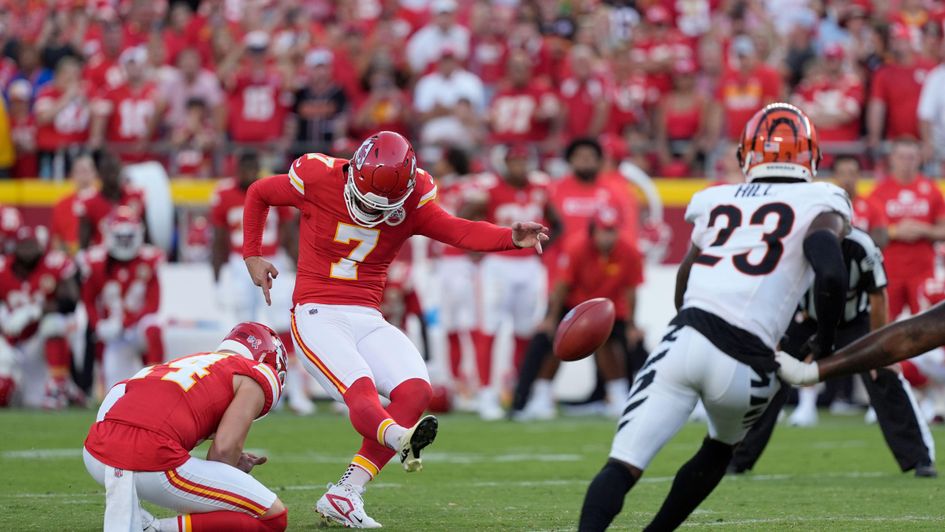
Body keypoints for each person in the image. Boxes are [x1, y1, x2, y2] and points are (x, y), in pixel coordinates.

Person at [242, 131, 548, 528]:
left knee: (416, 389)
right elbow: (259, 192)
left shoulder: (416, 195)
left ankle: (346, 492)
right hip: (317, 311)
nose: (373, 212)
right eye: (367, 203)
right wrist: (252, 254)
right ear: (353, 171)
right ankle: (400, 439)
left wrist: (509, 237)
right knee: (362, 390)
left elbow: (457, 230)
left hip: (368, 314)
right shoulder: (318, 175)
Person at [578, 103, 851, 531]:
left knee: (623, 465)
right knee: (721, 448)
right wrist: (824, 341)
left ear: (746, 155)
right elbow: (831, 270)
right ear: (811, 156)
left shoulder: (716, 198)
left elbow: (687, 274)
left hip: (686, 338)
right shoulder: (821, 198)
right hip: (748, 362)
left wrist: (687, 326)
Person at [729, 227, 937, 477]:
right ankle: (736, 458)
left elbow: (878, 295)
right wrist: (773, 338)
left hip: (853, 322)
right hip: (806, 320)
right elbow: (773, 294)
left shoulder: (861, 246)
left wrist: (881, 351)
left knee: (882, 373)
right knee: (768, 373)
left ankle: (918, 458)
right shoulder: (793, 244)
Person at [83, 322, 289, 532]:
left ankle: (135, 512)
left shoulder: (184, 362)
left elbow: (114, 398)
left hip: (96, 456)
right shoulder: (256, 372)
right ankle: (155, 528)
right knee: (274, 518)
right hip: (150, 459)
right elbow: (224, 450)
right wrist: (229, 474)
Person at [513, 205, 644, 420]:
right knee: (552, 341)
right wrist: (551, 319)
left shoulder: (629, 251)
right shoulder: (577, 247)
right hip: (573, 305)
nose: (608, 237)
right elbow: (562, 286)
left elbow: (631, 291)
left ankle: (621, 396)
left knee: (627, 345)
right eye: (604, 231)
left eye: (612, 231)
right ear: (594, 230)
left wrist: (632, 325)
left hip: (609, 309)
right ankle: (537, 397)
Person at [210, 151, 312, 415]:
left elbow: (289, 233)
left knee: (283, 324)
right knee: (242, 329)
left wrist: (301, 265)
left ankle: (295, 392)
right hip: (238, 262)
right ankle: (247, 390)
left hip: (273, 259)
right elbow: (219, 238)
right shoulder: (224, 195)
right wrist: (217, 274)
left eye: (252, 168)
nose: (248, 173)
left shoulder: (274, 189)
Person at [463, 145, 560, 420]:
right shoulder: (490, 188)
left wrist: (547, 254)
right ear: (505, 164)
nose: (520, 166)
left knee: (525, 333)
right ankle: (486, 395)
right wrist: (474, 244)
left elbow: (557, 223)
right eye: (514, 161)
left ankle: (521, 395)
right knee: (489, 330)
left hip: (529, 265)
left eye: (523, 160)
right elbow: (466, 212)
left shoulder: (539, 188)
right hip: (497, 264)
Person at [80, 208, 164, 389]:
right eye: (120, 237)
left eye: (129, 237)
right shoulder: (96, 262)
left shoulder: (149, 259)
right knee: (116, 391)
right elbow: (88, 300)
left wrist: (127, 322)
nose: (125, 242)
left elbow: (153, 304)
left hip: (136, 326)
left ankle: (156, 382)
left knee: (153, 325)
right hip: (115, 333)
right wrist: (99, 325)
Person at [0, 225, 80, 408]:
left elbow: (70, 302)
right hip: (10, 340)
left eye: (32, 245)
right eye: (24, 245)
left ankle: (58, 385)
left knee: (54, 323)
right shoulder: (3, 268)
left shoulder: (54, 263)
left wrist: (34, 311)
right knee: (4, 395)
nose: (28, 251)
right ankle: (17, 388)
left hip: (40, 342)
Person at [867, 138, 945, 318]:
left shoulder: (931, 190)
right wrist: (896, 231)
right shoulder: (879, 192)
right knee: (883, 324)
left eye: (911, 157)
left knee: (927, 325)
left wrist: (923, 229)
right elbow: (869, 235)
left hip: (923, 271)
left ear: (919, 159)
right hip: (890, 271)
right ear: (892, 159)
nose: (906, 162)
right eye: (902, 157)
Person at [89, 47, 165, 163]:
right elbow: (100, 114)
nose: (134, 68)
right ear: (124, 67)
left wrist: (145, 139)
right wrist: (97, 137)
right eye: (130, 64)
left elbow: (165, 119)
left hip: (148, 158)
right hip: (119, 157)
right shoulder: (113, 92)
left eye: (137, 63)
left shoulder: (155, 91)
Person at [76, 153, 146, 249]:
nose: (112, 176)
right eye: (108, 172)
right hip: (104, 258)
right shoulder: (89, 203)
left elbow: (146, 235)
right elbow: (84, 244)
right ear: (100, 175)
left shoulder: (135, 197)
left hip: (133, 255)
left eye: (115, 171)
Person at [832, 155, 887, 247]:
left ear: (859, 175)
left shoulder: (872, 204)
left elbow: (880, 239)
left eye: (851, 173)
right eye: (842, 174)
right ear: (834, 175)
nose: (847, 179)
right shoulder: (826, 206)